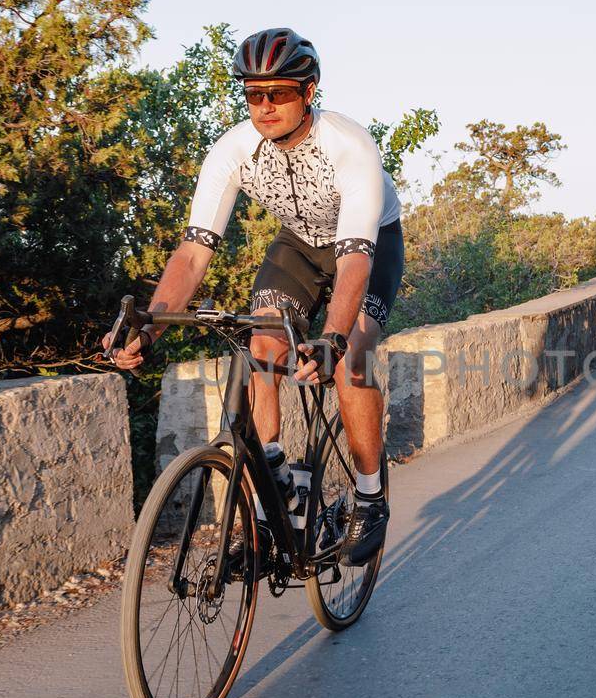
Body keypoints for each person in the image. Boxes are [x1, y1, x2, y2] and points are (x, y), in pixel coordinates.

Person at [106, 28, 401, 567]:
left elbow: (355, 258)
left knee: (350, 360)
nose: (264, 107)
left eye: (279, 93)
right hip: (299, 245)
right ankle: (275, 497)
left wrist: (332, 339)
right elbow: (193, 254)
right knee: (261, 346)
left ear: (309, 92)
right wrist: (150, 326)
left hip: (369, 245)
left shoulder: (349, 144)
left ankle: (369, 496)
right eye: (253, 94)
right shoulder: (234, 150)